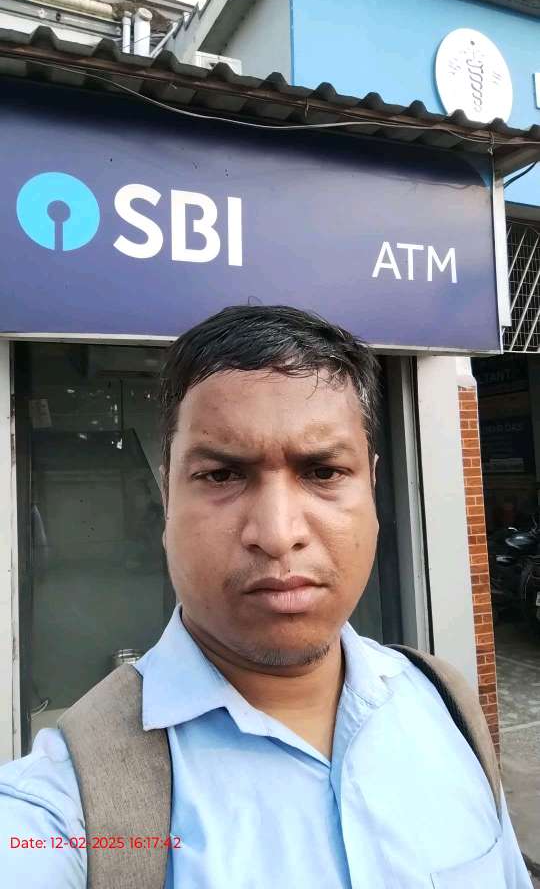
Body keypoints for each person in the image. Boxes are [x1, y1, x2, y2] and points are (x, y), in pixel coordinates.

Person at [0, 305, 532, 888]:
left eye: (323, 472)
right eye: (222, 475)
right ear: (168, 499)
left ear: (373, 489)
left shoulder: (445, 706)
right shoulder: (60, 809)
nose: (278, 534)